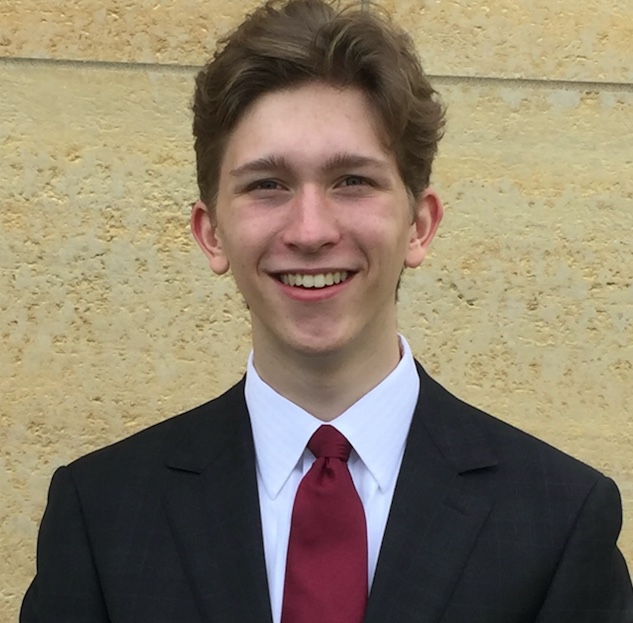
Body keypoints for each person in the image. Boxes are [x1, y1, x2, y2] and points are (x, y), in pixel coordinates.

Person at [21, 0, 633, 621]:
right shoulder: (100, 514)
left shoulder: (560, 520)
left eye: (352, 181)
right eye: (267, 185)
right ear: (212, 235)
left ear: (419, 226)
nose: (310, 230)